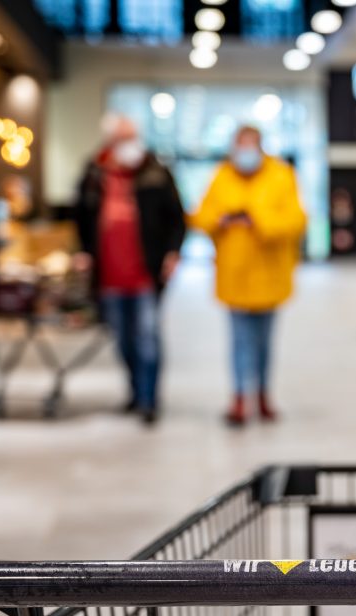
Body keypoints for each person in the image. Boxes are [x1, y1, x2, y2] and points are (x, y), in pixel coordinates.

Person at [192, 125, 306, 426]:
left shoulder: (281, 176)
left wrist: (257, 219)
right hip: (234, 273)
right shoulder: (222, 176)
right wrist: (222, 219)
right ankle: (240, 397)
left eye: (250, 146)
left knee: (264, 341)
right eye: (240, 146)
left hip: (270, 273)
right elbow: (201, 216)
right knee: (240, 339)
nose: (244, 153)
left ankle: (263, 394)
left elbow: (295, 221)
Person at [74, 113, 185, 425]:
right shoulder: (94, 174)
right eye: (124, 138)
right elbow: (81, 217)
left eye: (133, 137)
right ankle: (135, 391)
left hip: (145, 273)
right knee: (123, 339)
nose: (130, 145)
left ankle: (150, 399)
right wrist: (84, 252)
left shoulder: (156, 173)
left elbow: (177, 217)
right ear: (111, 141)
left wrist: (173, 252)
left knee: (147, 336)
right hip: (109, 275)